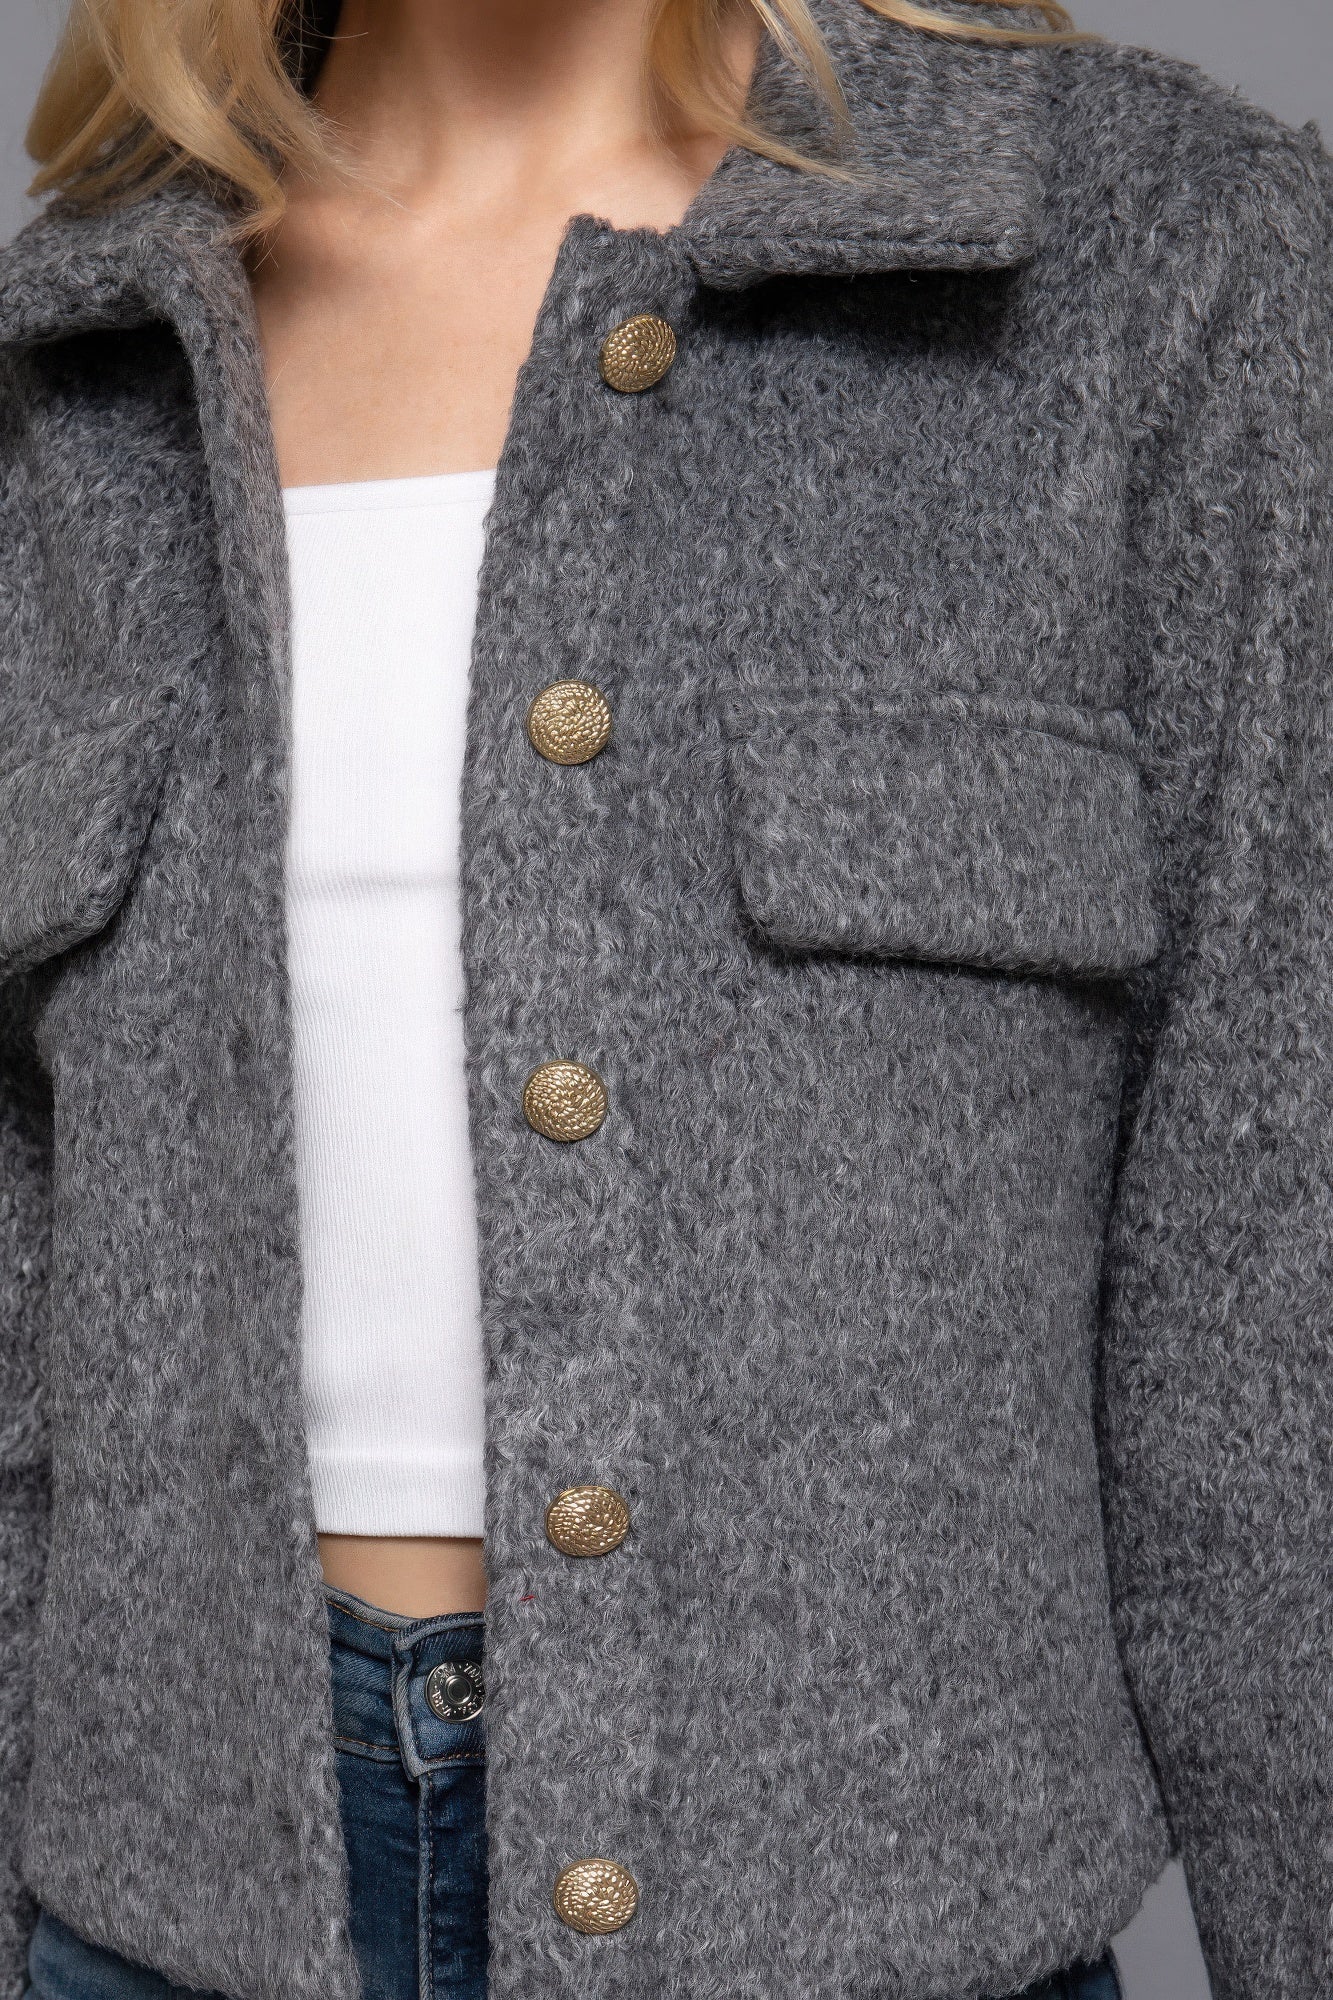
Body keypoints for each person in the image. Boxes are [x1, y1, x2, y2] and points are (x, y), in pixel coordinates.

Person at [0, 0, 1329, 1995]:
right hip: (154, 1925)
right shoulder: (61, 363)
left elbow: (1273, 1299)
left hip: (885, 1930)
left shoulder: (1162, 264)